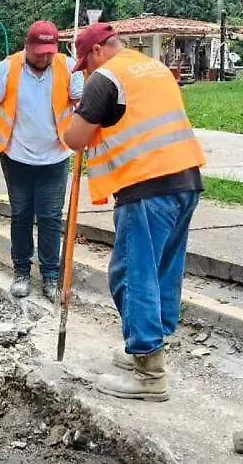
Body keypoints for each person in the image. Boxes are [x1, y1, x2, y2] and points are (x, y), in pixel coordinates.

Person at [62, 23, 206, 402]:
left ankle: (149, 371)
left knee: (132, 275)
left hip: (146, 189)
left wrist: (72, 114)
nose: (86, 73)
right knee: (163, 271)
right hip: (186, 181)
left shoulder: (105, 78)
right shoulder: (153, 68)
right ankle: (148, 346)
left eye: (85, 65)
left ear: (94, 53)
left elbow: (74, 138)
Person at [0, 20, 83, 301]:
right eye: (38, 51)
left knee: (51, 218)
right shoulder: (8, 69)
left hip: (55, 156)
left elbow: (83, 104)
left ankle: (51, 276)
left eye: (49, 51)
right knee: (22, 214)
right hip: (16, 158)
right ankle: (22, 272)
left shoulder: (68, 67)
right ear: (27, 45)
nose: (44, 56)